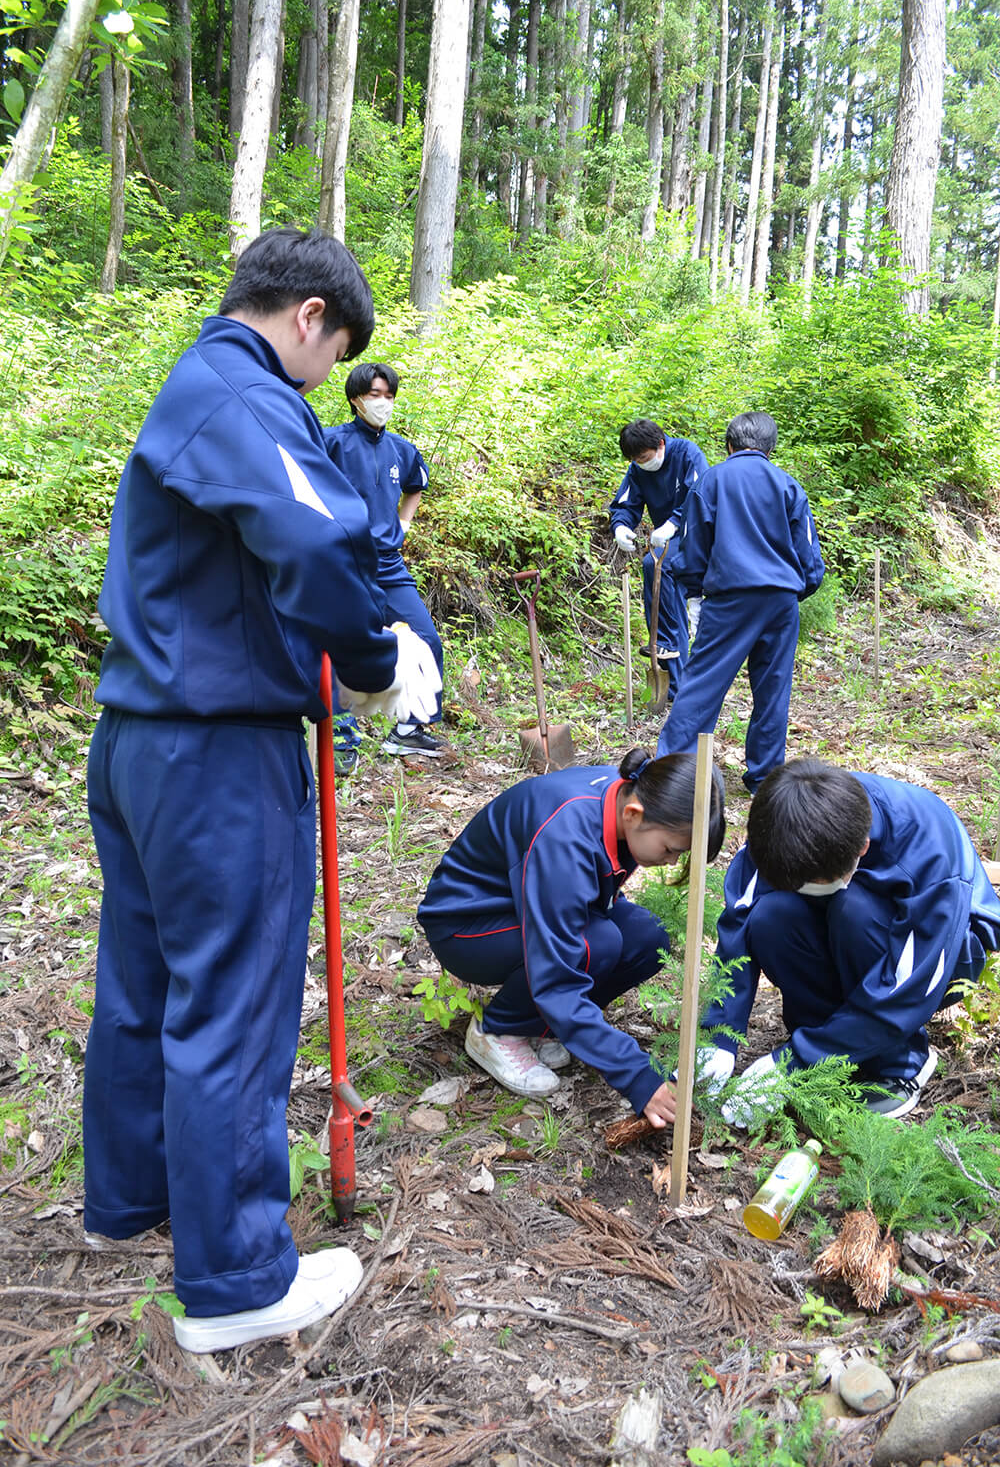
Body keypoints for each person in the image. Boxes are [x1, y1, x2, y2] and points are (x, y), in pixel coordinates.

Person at [83, 228, 441, 1354]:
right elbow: (320, 534)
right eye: (333, 358)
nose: (328, 380)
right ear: (309, 318)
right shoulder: (241, 393)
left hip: (144, 735)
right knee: (232, 1007)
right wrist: (381, 660)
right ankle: (235, 1281)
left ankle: (134, 1198)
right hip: (217, 755)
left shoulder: (195, 390)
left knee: (148, 984)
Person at [417, 749, 727, 1126]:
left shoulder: (629, 795)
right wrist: (637, 1076)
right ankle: (498, 1029)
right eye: (671, 850)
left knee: (648, 938)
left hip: (525, 902)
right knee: (596, 944)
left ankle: (543, 1026)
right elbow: (557, 976)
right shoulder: (565, 837)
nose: (672, 862)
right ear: (634, 815)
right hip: (467, 925)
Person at [699, 758, 1000, 1124]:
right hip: (851, 923)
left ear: (861, 849)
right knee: (770, 917)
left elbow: (913, 980)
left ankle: (900, 1062)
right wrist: (719, 1036)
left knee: (851, 908)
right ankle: (831, 1044)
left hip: (943, 953)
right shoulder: (783, 822)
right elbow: (739, 923)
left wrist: (791, 1063)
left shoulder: (926, 848)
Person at [656, 411, 825, 793]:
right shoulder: (788, 486)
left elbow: (693, 547)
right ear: (770, 447)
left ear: (729, 444)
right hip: (780, 602)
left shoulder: (712, 480)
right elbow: (811, 560)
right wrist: (790, 592)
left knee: (702, 685)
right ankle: (764, 779)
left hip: (730, 599)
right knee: (772, 689)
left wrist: (697, 589)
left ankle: (670, 773)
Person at [323, 362, 444, 772]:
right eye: (374, 395)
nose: (382, 403)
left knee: (425, 637)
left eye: (389, 396)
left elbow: (416, 486)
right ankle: (339, 737)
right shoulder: (330, 443)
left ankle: (409, 730)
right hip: (342, 561)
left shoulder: (401, 449)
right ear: (356, 398)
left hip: (389, 563)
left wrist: (405, 523)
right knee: (339, 642)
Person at [609, 420, 706, 701]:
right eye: (634, 460)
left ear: (660, 444)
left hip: (699, 536)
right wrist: (621, 526)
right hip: (669, 544)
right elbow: (626, 502)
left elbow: (701, 497)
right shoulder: (638, 469)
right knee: (655, 574)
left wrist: (674, 523)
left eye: (643, 458)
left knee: (657, 568)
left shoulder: (688, 455)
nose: (639, 464)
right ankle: (673, 678)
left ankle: (686, 675)